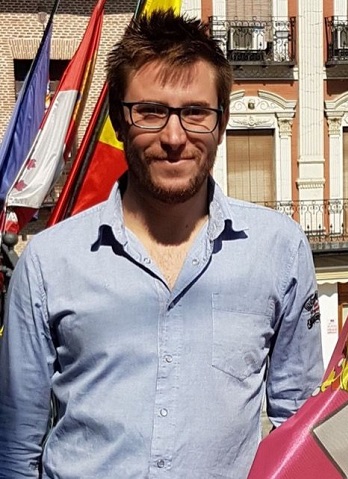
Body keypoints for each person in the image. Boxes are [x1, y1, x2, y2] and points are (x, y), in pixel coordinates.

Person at [0, 10, 323, 479]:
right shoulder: (49, 263)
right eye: (151, 111)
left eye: (195, 112)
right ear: (119, 118)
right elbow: (15, 448)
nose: (174, 137)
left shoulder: (279, 251)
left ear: (221, 121)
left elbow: (299, 423)